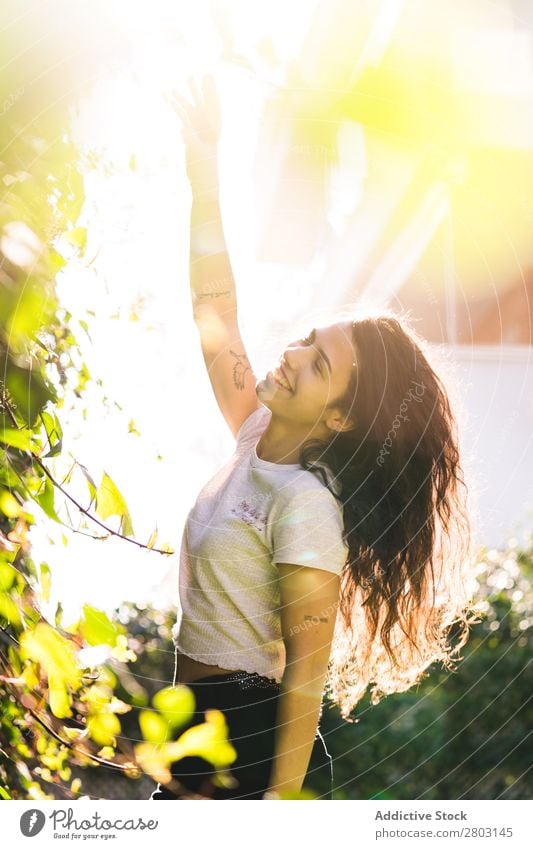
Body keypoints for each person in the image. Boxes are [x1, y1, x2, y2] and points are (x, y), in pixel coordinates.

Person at [150, 76, 477, 801]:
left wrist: (280, 805)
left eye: (317, 362)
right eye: (304, 339)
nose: (292, 353)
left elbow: (305, 674)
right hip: (193, 735)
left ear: (339, 418)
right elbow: (215, 311)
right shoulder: (256, 434)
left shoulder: (304, 507)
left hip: (244, 745)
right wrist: (203, 170)